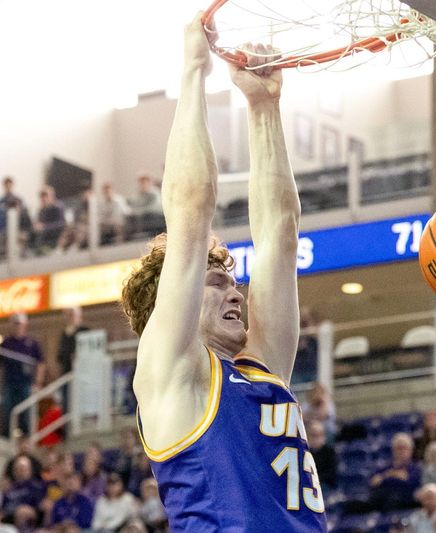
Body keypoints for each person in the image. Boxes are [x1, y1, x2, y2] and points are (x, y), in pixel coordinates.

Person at [120, 17, 327, 531]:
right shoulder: (172, 372)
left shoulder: (262, 369)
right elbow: (191, 210)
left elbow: (281, 232)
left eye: (234, 282)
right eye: (216, 284)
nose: (235, 291)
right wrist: (194, 69)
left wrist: (264, 107)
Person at [0, 313, 46, 437]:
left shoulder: (32, 343)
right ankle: (6, 435)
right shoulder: (6, 343)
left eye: (19, 324)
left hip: (25, 383)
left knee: (26, 413)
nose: (17, 327)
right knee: (7, 410)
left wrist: (38, 382)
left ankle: (26, 437)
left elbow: (41, 363)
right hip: (9, 383)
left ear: (25, 325)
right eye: (15, 324)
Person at [370, 433, 421, 511]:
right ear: (393, 450)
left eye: (404, 448)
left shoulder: (416, 468)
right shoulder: (384, 467)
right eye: (399, 448)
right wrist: (395, 475)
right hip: (384, 501)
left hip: (406, 502)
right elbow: (374, 482)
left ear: (411, 450)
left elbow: (409, 483)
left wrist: (385, 478)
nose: (402, 451)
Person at [0, 176, 31, 262]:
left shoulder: (18, 200)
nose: (8, 187)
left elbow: (25, 218)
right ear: (3, 186)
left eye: (9, 185)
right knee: (1, 258)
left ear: (12, 185)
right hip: (1, 234)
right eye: (6, 185)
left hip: (15, 233)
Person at [33, 185, 66, 254]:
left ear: (52, 196)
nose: (44, 199)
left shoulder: (58, 207)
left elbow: (61, 224)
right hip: (44, 239)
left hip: (55, 239)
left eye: (46, 196)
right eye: (42, 196)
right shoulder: (41, 210)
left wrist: (44, 226)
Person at [307, 421, 336, 490]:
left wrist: (316, 479)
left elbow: (331, 473)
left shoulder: (330, 452)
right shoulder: (304, 453)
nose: (315, 439)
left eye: (318, 435)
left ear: (323, 436)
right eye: (312, 435)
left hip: (325, 485)